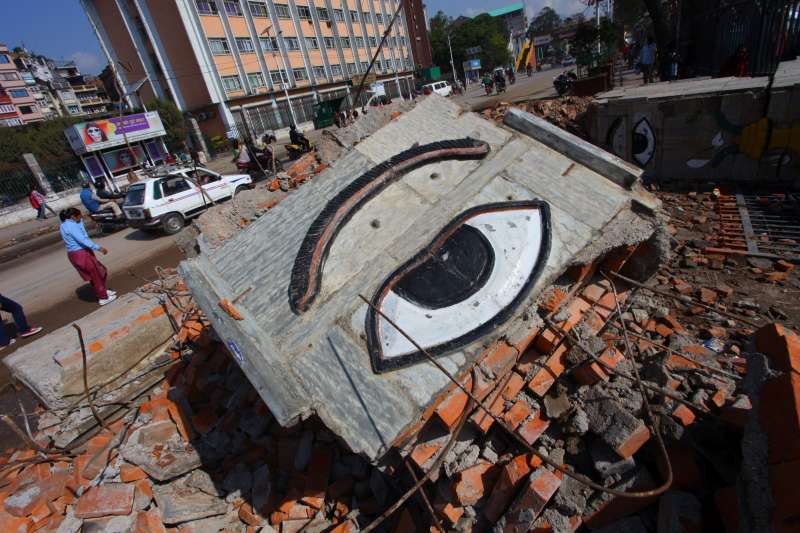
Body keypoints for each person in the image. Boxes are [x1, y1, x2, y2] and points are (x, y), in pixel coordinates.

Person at [59, 208, 116, 306]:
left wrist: (79, 221)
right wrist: (98, 248)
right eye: (79, 216)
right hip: (81, 253)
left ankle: (102, 291)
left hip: (76, 254)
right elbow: (83, 239)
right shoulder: (72, 226)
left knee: (100, 271)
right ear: (73, 217)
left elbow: (82, 232)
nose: (81, 217)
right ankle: (103, 297)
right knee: (96, 275)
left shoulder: (64, 224)